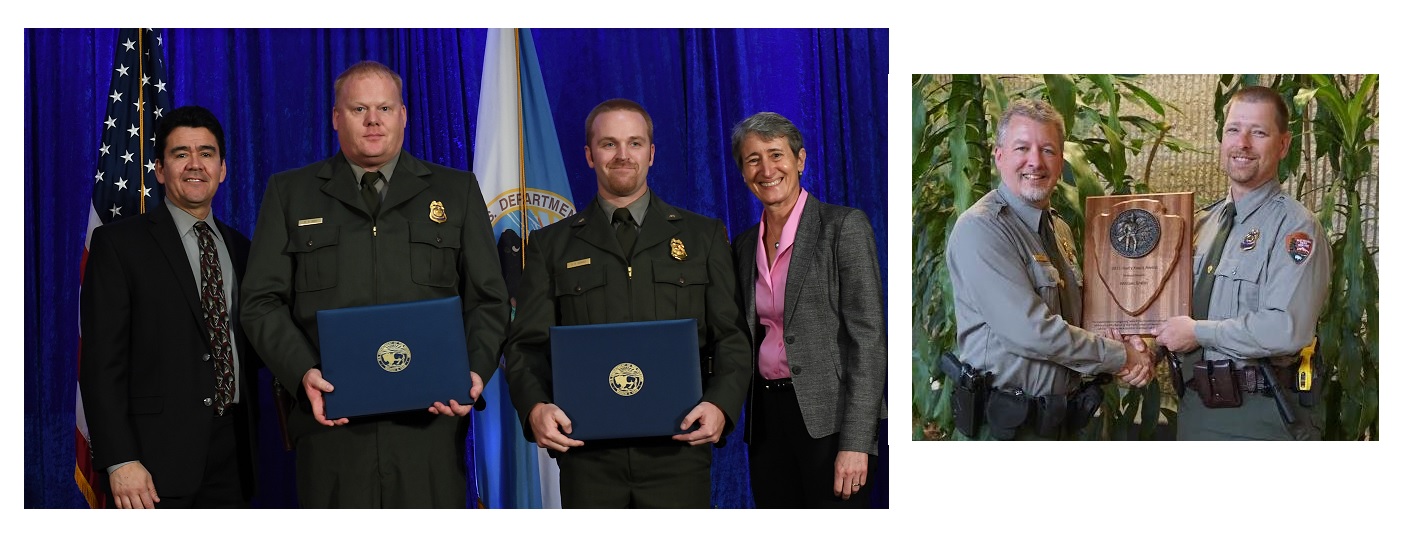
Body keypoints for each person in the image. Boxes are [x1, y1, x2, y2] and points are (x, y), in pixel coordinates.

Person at [241, 60, 509, 507]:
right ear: (335, 118)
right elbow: (260, 301)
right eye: (359, 108)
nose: (373, 120)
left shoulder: (456, 190)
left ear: (403, 115)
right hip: (332, 427)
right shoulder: (290, 194)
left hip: (430, 428)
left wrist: (475, 373)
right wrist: (303, 373)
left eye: (385, 108)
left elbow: (489, 300)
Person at [503, 98, 751, 508]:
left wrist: (720, 405)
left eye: (635, 143)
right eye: (609, 144)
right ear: (588, 155)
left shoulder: (702, 237)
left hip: (679, 451)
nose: (622, 155)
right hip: (588, 456)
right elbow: (525, 347)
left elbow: (732, 338)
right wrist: (535, 408)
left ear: (651, 154)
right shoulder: (550, 245)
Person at [80, 105, 259, 508]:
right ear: (159, 169)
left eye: (206, 153)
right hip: (152, 462)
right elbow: (100, 363)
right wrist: (120, 459)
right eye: (181, 154)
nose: (195, 165)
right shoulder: (119, 245)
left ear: (223, 168)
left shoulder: (243, 249)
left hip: (234, 455)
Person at [945, 98, 1154, 440]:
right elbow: (1031, 332)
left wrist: (1132, 336)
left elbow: (1080, 319)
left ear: (1061, 162)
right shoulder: (981, 230)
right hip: (1007, 431)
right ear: (1000, 157)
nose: (1035, 162)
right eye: (1022, 148)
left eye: (1048, 150)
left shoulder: (1059, 230)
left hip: (1060, 423)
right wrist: (1120, 356)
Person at [1153, 86, 1329, 440]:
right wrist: (1142, 349)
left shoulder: (1296, 229)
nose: (1243, 143)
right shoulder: (1200, 224)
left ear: (1283, 145)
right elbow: (1172, 309)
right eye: (1234, 130)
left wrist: (1198, 332)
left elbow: (1285, 329)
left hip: (1258, 419)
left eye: (1258, 132)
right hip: (1194, 411)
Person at [728, 112, 886, 507]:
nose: (766, 169)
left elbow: (868, 341)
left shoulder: (842, 227)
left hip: (830, 422)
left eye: (776, 154)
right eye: (753, 159)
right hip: (767, 420)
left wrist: (856, 443)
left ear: (800, 160)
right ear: (742, 172)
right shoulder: (744, 245)